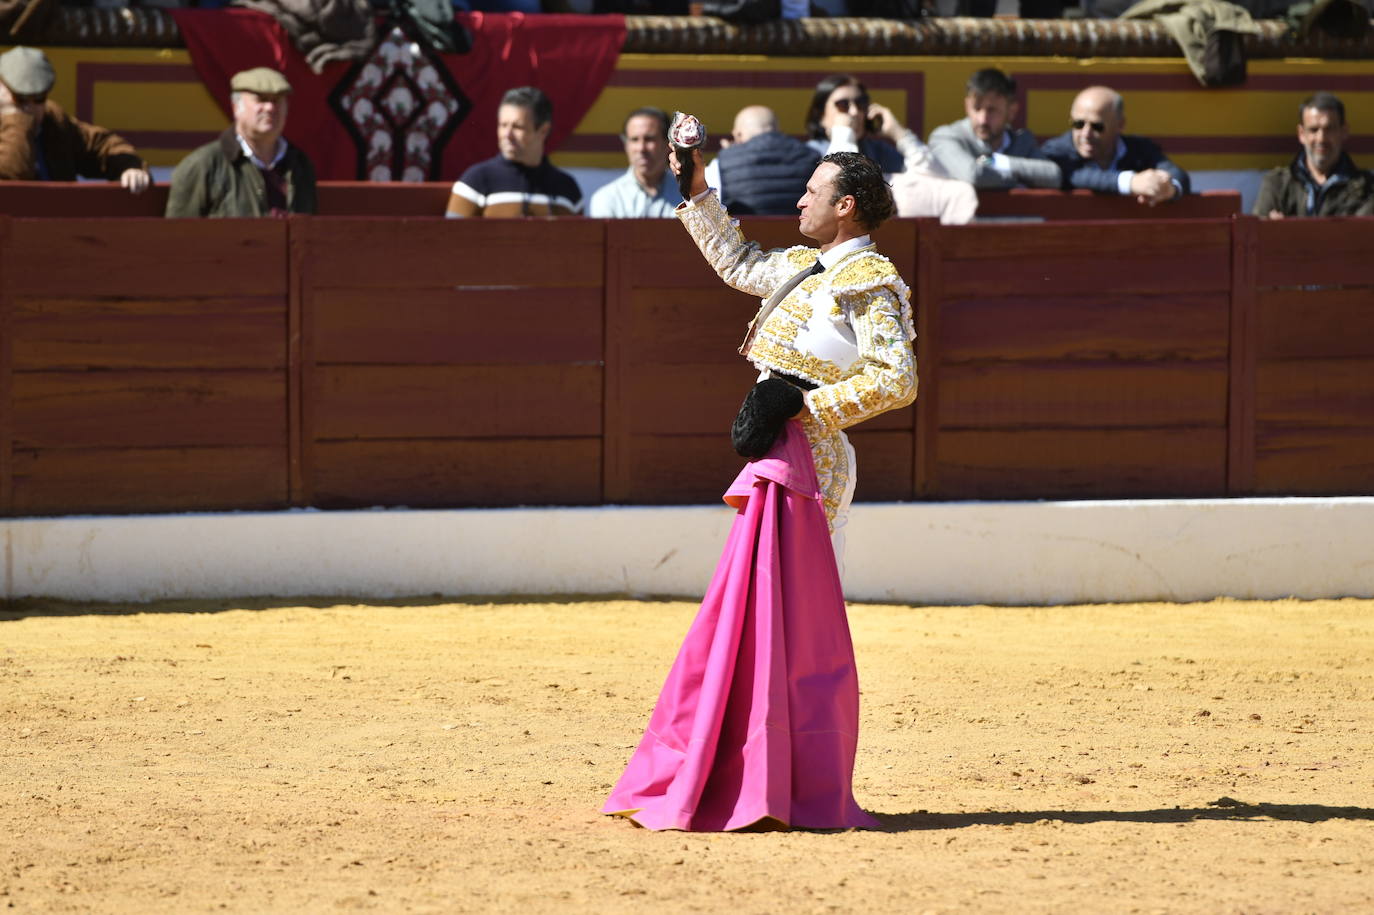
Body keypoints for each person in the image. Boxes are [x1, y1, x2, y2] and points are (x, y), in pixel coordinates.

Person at [602, 142, 915, 832]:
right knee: (764, 612)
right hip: (781, 453)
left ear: (846, 205)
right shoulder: (810, 267)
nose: (799, 201)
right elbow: (739, 262)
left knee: (785, 618)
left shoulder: (867, 275)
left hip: (814, 460)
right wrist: (698, 191)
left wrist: (804, 405)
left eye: (813, 192)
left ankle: (781, 772)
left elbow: (898, 378)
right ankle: (761, 768)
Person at [806, 73, 977, 223]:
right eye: (843, 105)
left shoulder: (879, 150)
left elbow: (938, 178)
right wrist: (843, 134)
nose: (854, 112)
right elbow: (842, 186)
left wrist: (899, 134)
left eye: (861, 103)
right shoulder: (811, 153)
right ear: (821, 116)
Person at [165, 67, 317, 218]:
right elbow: (179, 235)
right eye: (261, 99)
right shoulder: (203, 165)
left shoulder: (300, 163)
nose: (270, 108)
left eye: (277, 100)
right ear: (236, 107)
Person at [0, 45, 150, 193]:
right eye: (20, 98)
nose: (30, 107)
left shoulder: (53, 120)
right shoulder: (17, 121)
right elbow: (13, 177)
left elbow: (101, 145)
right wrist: (16, 120)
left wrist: (129, 167)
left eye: (39, 98)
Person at [1040, 85, 1190, 205]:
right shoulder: (1055, 151)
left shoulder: (1140, 149)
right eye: (1078, 124)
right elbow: (1074, 175)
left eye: (1097, 126)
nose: (1086, 134)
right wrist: (1131, 182)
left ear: (1120, 125)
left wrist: (1168, 189)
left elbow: (1177, 174)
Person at [446, 86, 582, 217]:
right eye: (503, 125)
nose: (507, 135)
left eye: (518, 127)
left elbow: (582, 239)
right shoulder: (476, 180)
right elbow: (450, 237)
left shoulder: (567, 188)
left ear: (543, 131)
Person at [928, 68, 1060, 190]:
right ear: (967, 106)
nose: (983, 120)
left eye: (992, 110)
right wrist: (1020, 183)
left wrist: (995, 161)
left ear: (1011, 111)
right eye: (977, 108)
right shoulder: (946, 137)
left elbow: (1053, 176)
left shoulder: (1022, 141)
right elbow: (974, 175)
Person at [1253, 92, 1374, 218]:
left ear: (1344, 131)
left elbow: (1358, 235)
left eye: (1329, 129)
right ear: (1301, 134)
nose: (1321, 139)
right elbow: (1258, 233)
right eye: (1313, 130)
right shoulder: (1276, 185)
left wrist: (1287, 230)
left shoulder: (1368, 189)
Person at [702, 104, 818, 215]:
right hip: (799, 234)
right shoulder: (811, 155)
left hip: (745, 234)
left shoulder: (724, 161)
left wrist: (730, 154)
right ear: (776, 128)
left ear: (738, 134)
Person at [588, 106, 681, 218]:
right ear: (626, 145)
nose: (641, 148)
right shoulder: (606, 198)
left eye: (649, 139)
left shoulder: (689, 197)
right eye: (634, 139)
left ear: (668, 143)